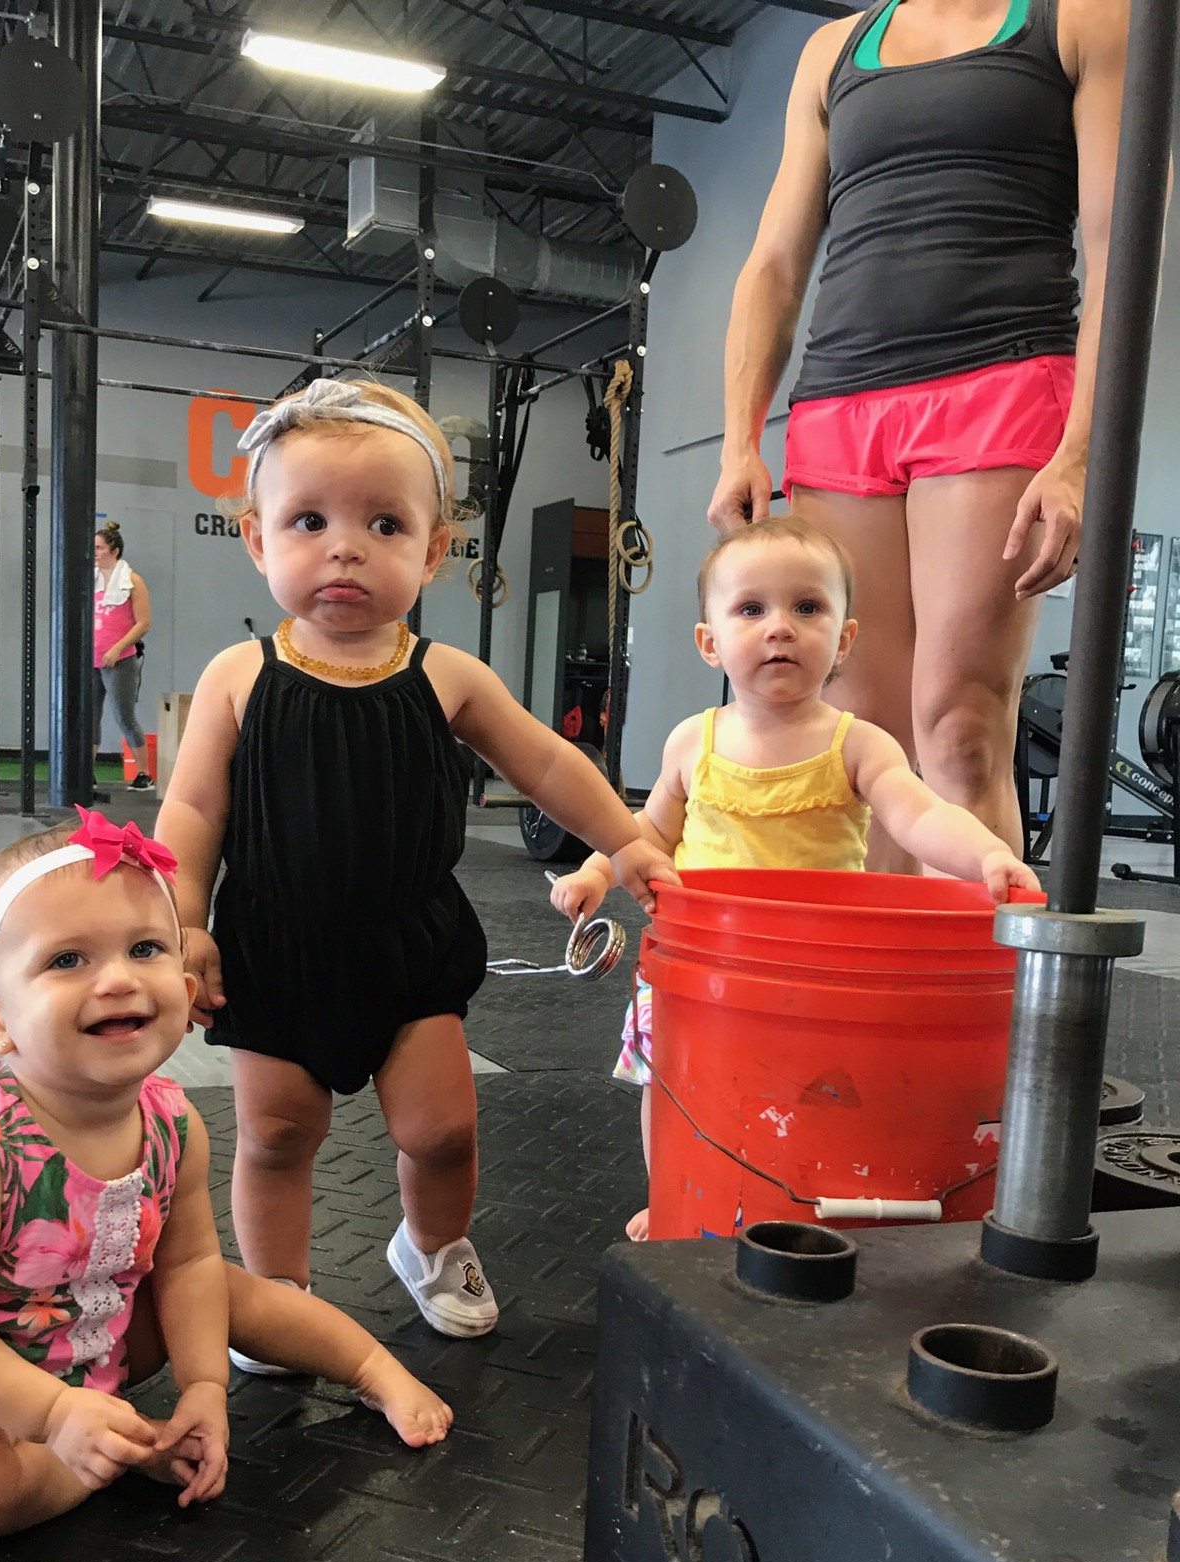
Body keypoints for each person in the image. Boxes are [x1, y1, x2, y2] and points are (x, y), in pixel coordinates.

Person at [157, 378, 679, 1353]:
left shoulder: (447, 675)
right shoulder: (239, 677)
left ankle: (433, 1246)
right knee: (276, 1135)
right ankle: (276, 1295)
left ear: (433, 552)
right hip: (274, 950)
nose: (345, 546)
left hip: (411, 948)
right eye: (309, 520)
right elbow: (192, 812)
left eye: (385, 524)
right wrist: (181, 924)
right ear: (258, 540)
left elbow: (548, 763)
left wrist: (628, 839)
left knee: (443, 1132)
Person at [0, 810, 453, 1550]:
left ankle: (374, 1369)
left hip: (91, 1338)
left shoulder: (173, 1123)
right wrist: (55, 1417)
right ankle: (118, 1455)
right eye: (68, 960)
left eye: (145, 948)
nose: (119, 979)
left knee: (229, 1287)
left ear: (187, 988)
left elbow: (187, 1266)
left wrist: (203, 1389)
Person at [707, 0, 1127, 869]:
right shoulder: (833, 51)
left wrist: (1084, 450)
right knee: (864, 740)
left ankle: (969, 957)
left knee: (959, 723)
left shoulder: (1082, 18)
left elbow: (1119, 245)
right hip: (839, 405)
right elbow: (775, 265)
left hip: (1002, 385)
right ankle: (884, 959)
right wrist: (737, 439)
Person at [550, 517, 1040, 1241]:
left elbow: (920, 814)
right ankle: (675, 1189)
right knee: (674, 1087)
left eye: (808, 607)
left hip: (814, 973)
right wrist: (598, 869)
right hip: (700, 966)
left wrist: (986, 855)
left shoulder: (858, 744)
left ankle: (793, 1192)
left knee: (810, 1091)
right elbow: (646, 832)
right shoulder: (693, 742)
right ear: (710, 641)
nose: (780, 627)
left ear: (843, 639)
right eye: (751, 608)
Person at [93, 520, 155, 796]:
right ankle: (86, 773)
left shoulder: (133, 582)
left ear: (114, 550)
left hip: (120, 660)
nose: (94, 552)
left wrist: (117, 649)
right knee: (89, 717)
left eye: (99, 548)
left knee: (124, 716)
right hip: (92, 659)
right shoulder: (92, 579)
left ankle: (144, 774)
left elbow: (143, 623)